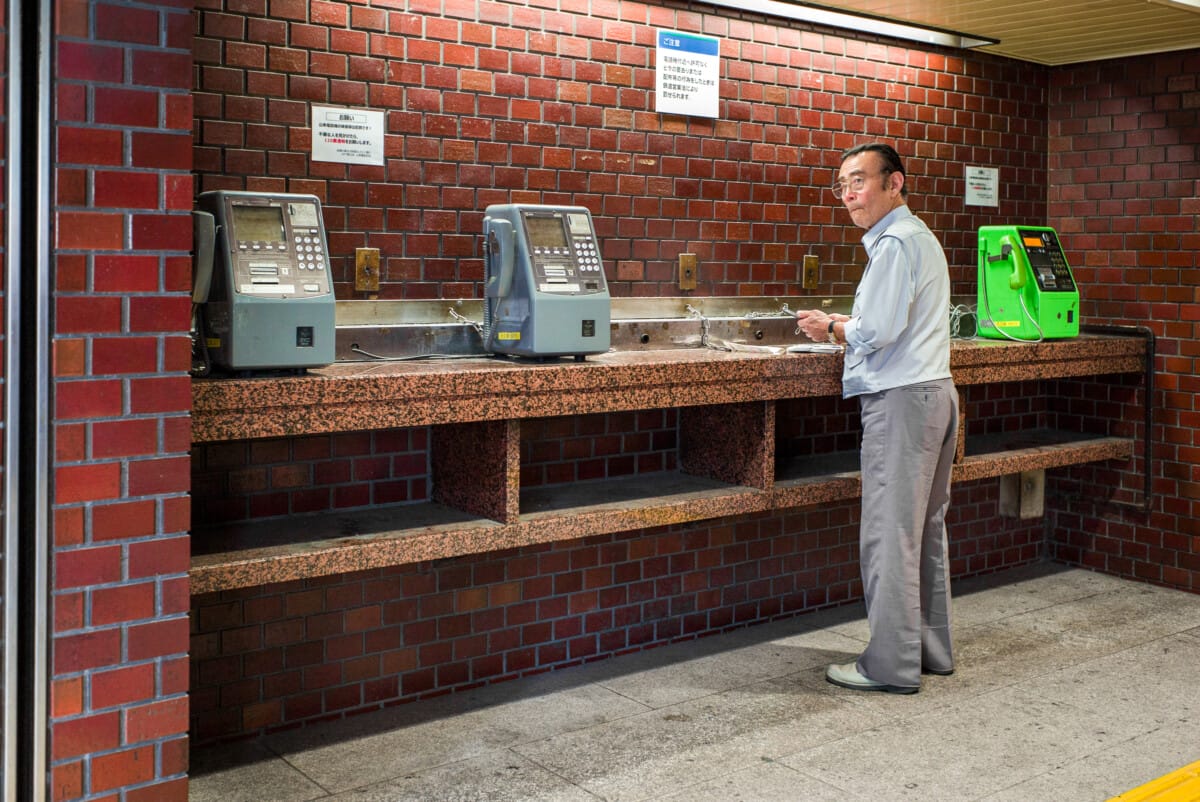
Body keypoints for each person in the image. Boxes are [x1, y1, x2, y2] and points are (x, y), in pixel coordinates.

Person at [794, 143, 958, 694]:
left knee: (890, 536)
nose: (848, 194)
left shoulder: (893, 243)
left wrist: (833, 329)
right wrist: (851, 321)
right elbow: (894, 319)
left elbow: (878, 330)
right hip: (935, 392)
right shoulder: (921, 238)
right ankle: (928, 652)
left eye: (859, 181)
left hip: (902, 401)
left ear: (895, 183)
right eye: (841, 184)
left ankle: (888, 665)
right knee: (922, 532)